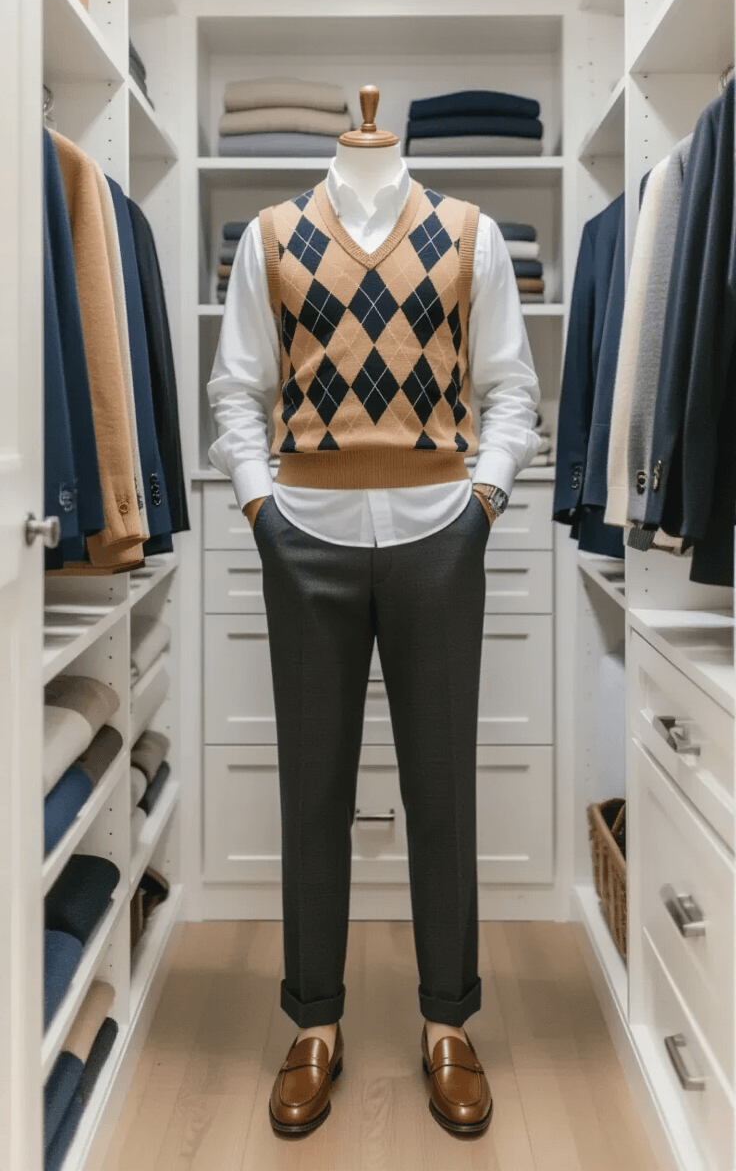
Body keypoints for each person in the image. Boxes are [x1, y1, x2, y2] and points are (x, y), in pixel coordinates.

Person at [207, 145, 541, 1138]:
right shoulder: (272, 237)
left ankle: (448, 1021)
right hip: (304, 538)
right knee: (310, 790)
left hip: (441, 534)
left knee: (441, 786)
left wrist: (484, 499)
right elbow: (236, 391)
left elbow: (510, 387)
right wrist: (261, 509)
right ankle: (314, 1022)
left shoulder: (467, 234)